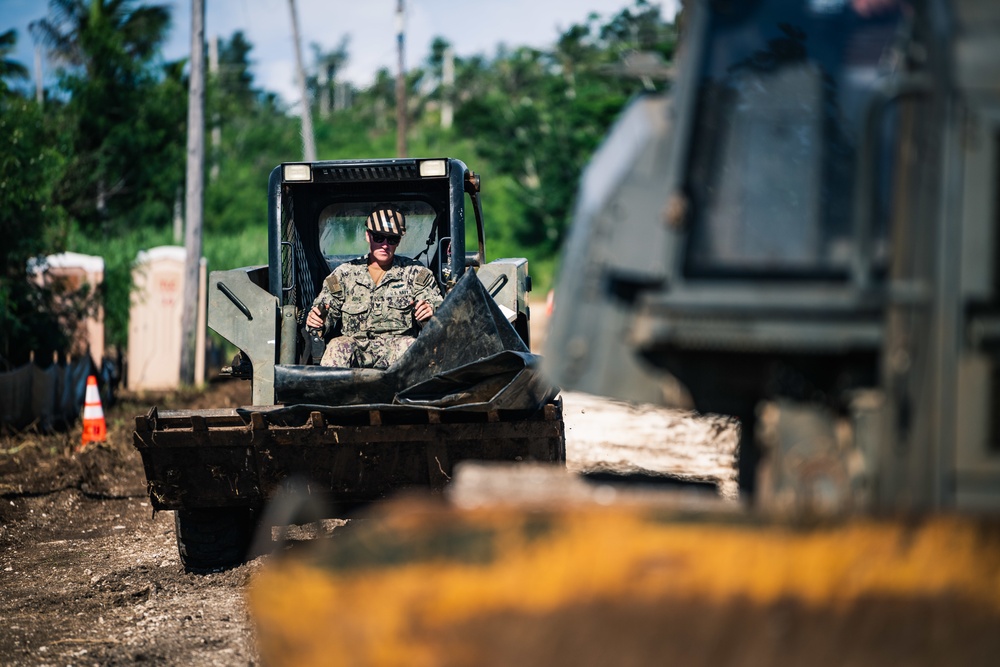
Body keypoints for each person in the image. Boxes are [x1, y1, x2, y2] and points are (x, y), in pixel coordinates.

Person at [305, 205, 444, 369]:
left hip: (397, 346)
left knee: (410, 347)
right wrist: (318, 320)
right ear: (368, 235)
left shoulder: (415, 274)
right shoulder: (344, 275)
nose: (385, 244)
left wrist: (431, 312)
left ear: (399, 241)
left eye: (392, 239)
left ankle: (410, 395)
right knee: (337, 346)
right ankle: (331, 393)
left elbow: (440, 309)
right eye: (379, 237)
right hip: (356, 345)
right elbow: (325, 310)